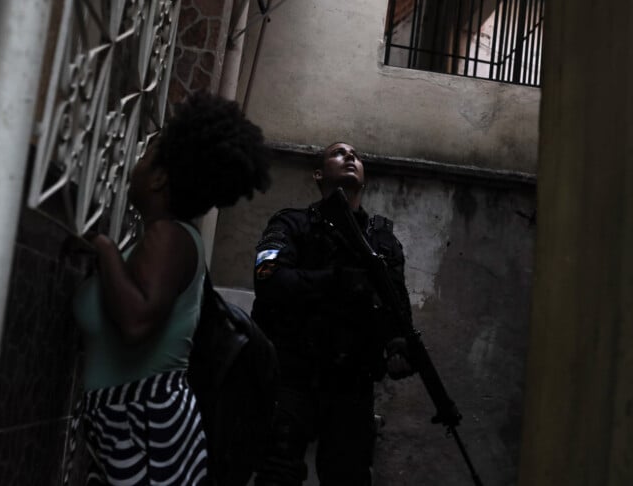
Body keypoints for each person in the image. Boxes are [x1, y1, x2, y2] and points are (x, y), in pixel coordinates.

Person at [70, 92, 270, 485]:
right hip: (134, 424)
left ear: (160, 177)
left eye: (145, 156)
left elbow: (136, 322)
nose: (136, 163)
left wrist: (104, 247)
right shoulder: (164, 241)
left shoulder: (168, 238)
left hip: (146, 428)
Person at [251, 142, 415, 486]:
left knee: (348, 476)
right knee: (278, 471)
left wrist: (399, 345)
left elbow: (396, 304)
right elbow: (269, 280)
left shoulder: (382, 239)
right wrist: (336, 281)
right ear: (318, 174)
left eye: (356, 155)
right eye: (338, 153)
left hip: (351, 384)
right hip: (293, 374)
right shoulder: (291, 223)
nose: (351, 157)